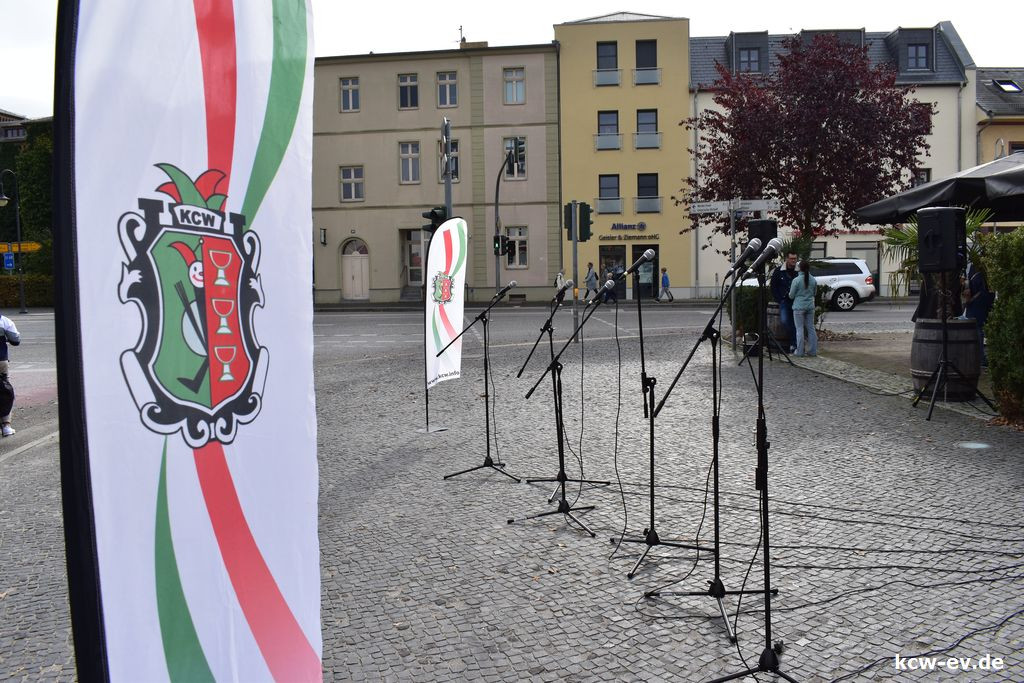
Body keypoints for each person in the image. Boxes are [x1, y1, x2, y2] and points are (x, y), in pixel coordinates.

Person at [965, 264, 994, 366]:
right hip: (980, 305)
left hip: (975, 305)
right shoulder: (983, 273)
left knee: (977, 331)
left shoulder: (973, 270)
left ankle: (977, 357)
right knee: (979, 331)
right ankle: (980, 358)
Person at [770, 251, 799, 352]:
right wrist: (779, 299)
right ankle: (794, 343)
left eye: (795, 259)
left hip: (796, 301)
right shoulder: (779, 271)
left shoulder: (799, 271)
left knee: (796, 323)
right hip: (784, 301)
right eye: (791, 259)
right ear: (787, 259)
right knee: (785, 321)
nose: (793, 261)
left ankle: (794, 344)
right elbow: (773, 286)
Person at [788, 260, 818, 357]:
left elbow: (791, 295)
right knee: (811, 328)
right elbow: (815, 293)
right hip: (810, 306)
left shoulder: (796, 280)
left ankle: (800, 351)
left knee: (799, 329)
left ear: (800, 268)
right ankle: (813, 351)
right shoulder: (813, 279)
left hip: (798, 307)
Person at [0, 314, 21, 436]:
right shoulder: (4, 321)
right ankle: (6, 425)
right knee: (4, 391)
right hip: (1, 360)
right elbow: (15, 340)